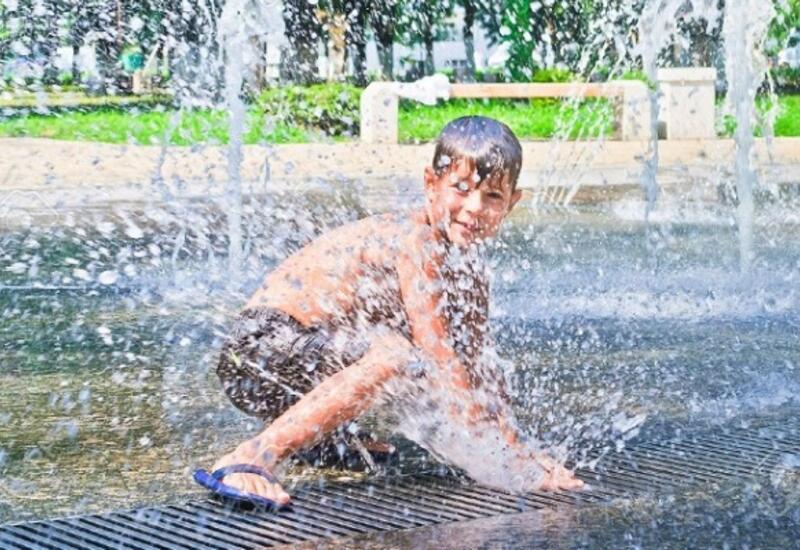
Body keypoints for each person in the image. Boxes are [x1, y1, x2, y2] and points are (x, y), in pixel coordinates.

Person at [203, 116, 583, 507]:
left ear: (512, 203)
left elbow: (477, 368)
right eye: (461, 189)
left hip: (299, 371)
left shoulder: (470, 270)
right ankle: (252, 457)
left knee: (429, 373)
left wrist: (515, 447)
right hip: (257, 355)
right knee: (399, 357)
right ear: (430, 184)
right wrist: (509, 460)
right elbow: (440, 358)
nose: (475, 207)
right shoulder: (416, 240)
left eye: (492, 197)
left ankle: (320, 439)